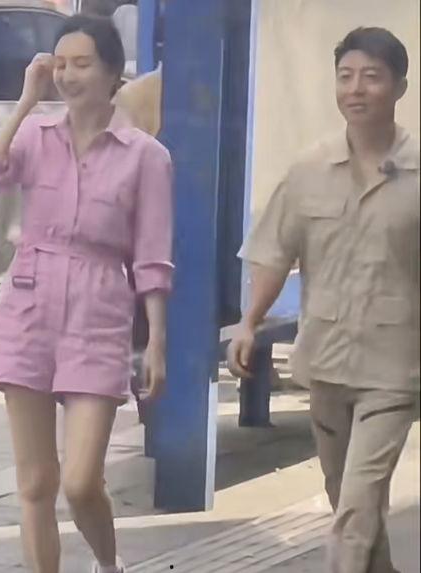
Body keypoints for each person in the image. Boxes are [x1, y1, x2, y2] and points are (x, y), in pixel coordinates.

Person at [0, 14, 173, 573]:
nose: (67, 75)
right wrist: (25, 102)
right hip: (28, 308)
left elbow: (152, 257)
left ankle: (108, 565)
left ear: (113, 74)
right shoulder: (35, 136)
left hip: (98, 312)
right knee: (35, 482)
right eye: (60, 64)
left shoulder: (146, 156)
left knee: (81, 482)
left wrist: (156, 341)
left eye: (82, 64)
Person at [228, 27, 419, 573]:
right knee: (348, 503)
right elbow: (275, 252)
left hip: (394, 368)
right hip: (326, 361)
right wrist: (249, 321)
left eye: (371, 77)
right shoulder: (309, 170)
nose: (356, 89)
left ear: (399, 87)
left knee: (354, 515)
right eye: (345, 76)